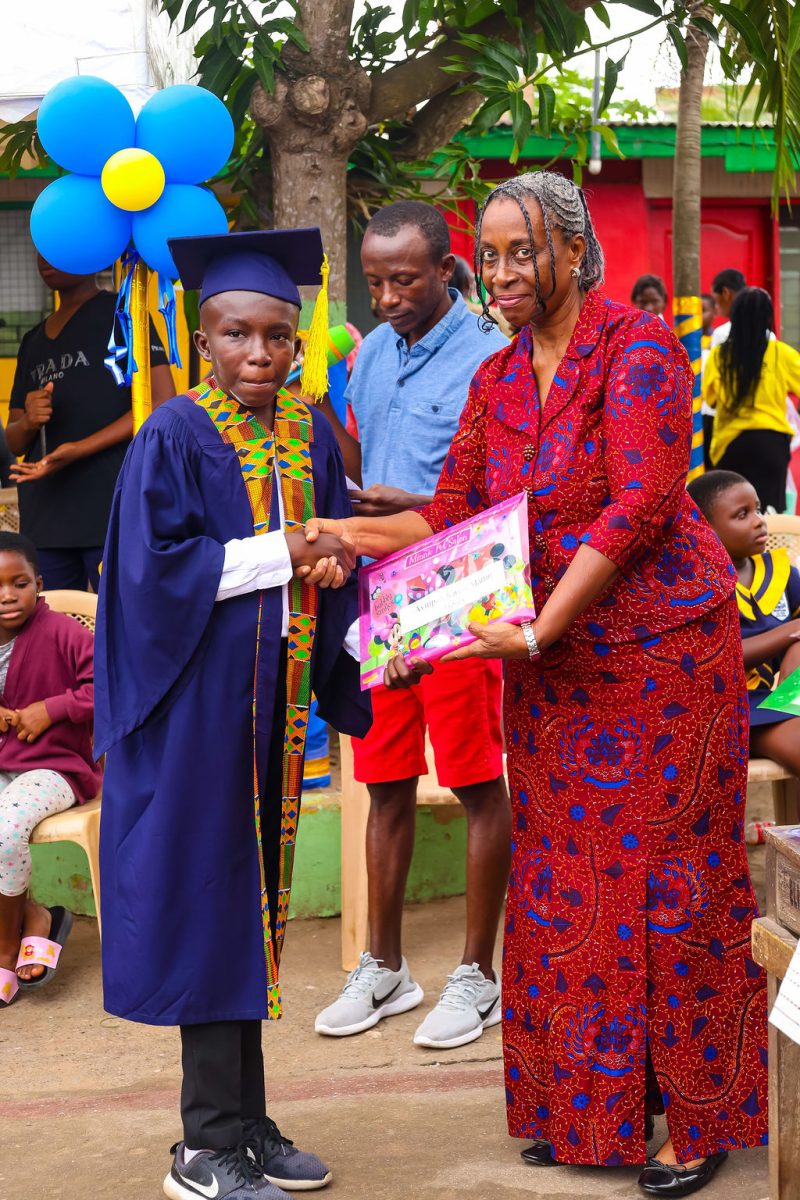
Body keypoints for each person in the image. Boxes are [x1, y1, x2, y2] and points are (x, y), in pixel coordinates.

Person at [306, 171, 768, 1196]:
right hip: (553, 676)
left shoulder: (637, 347)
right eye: (493, 255)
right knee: (566, 886)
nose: (505, 272)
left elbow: (638, 506)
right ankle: (590, 1111)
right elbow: (453, 516)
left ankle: (698, 1119)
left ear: (573, 251)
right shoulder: (498, 377)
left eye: (525, 252)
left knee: (670, 882)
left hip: (659, 659)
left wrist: (538, 628)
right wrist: (346, 549)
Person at [93, 228, 370, 1200]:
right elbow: (148, 575)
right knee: (210, 906)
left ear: (299, 341)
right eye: (237, 335)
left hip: (274, 714)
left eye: (277, 336)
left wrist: (331, 569)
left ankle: (247, 1125)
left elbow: (329, 551)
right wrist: (286, 552)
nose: (259, 353)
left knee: (249, 911)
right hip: (194, 710)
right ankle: (201, 1148)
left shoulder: (306, 431)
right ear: (204, 338)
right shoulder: (173, 433)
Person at [313, 201, 511, 1052]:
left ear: (445, 270)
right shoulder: (369, 355)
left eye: (405, 280)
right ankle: (385, 966)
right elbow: (366, 463)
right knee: (383, 778)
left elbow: (513, 496)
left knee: (475, 781)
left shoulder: (493, 357)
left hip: (462, 589)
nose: (389, 297)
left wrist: (421, 503)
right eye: (376, 282)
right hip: (381, 593)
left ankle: (477, 975)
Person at [6, 255, 175, 591]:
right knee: (53, 616)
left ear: (91, 250)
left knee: (120, 613)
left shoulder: (125, 315)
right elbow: (13, 441)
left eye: (60, 248)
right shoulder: (32, 341)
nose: (46, 259)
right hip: (46, 516)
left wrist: (79, 449)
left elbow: (160, 401)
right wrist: (28, 421)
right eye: (41, 249)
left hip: (111, 504)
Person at [0, 532, 100, 1007]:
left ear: (38, 584)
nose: (6, 596)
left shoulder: (63, 632)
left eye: (18, 584)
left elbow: (110, 685)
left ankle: (5, 947)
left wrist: (52, 709)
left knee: (5, 831)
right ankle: (34, 917)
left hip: (53, 768)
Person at [688, 469, 800, 788]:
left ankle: (791, 708)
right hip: (724, 707)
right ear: (704, 529)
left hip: (776, 701)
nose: (758, 521)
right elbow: (719, 658)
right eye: (742, 515)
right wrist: (790, 632)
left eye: (758, 509)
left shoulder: (781, 572)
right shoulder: (696, 586)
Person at [703, 286, 800, 513]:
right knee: (769, 514)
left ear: (734, 317)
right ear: (768, 317)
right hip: (771, 444)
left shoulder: (719, 355)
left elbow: (711, 399)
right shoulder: (782, 353)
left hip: (730, 445)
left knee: (732, 514)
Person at [710, 268, 746, 345]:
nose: (715, 307)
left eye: (715, 300)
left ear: (725, 293)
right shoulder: (766, 333)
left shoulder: (721, 334)